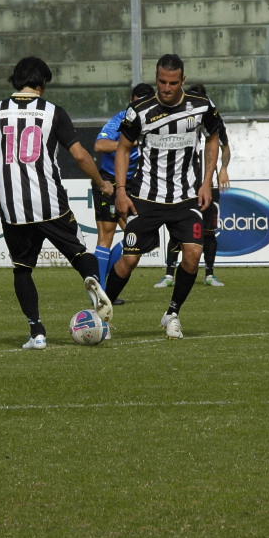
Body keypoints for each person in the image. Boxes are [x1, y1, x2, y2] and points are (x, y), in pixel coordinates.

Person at [0, 56, 114, 349]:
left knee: (22, 268)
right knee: (80, 253)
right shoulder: (52, 113)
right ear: (42, 85)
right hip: (48, 200)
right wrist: (102, 183)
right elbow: (81, 155)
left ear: (15, 81)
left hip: (12, 205)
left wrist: (6, 169)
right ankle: (93, 289)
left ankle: (37, 332)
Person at [102, 54, 224, 339]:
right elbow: (122, 148)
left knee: (193, 255)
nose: (166, 88)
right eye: (161, 82)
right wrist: (121, 191)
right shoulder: (140, 111)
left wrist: (207, 181)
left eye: (172, 83)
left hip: (186, 197)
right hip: (146, 198)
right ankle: (102, 315)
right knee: (128, 260)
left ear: (183, 80)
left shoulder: (202, 106)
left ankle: (172, 314)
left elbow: (213, 137)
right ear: (156, 78)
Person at [157, 82, 231, 288]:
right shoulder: (180, 119)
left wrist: (223, 168)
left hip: (208, 183)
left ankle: (209, 274)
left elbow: (225, 146)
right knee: (177, 228)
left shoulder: (211, 118)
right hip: (185, 184)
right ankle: (169, 274)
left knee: (208, 230)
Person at [93, 81, 156, 292]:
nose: (139, 109)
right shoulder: (121, 119)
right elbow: (100, 145)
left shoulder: (157, 122)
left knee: (140, 239)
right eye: (136, 104)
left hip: (137, 185)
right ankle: (101, 290)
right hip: (110, 181)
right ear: (131, 102)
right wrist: (133, 142)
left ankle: (106, 282)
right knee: (107, 234)